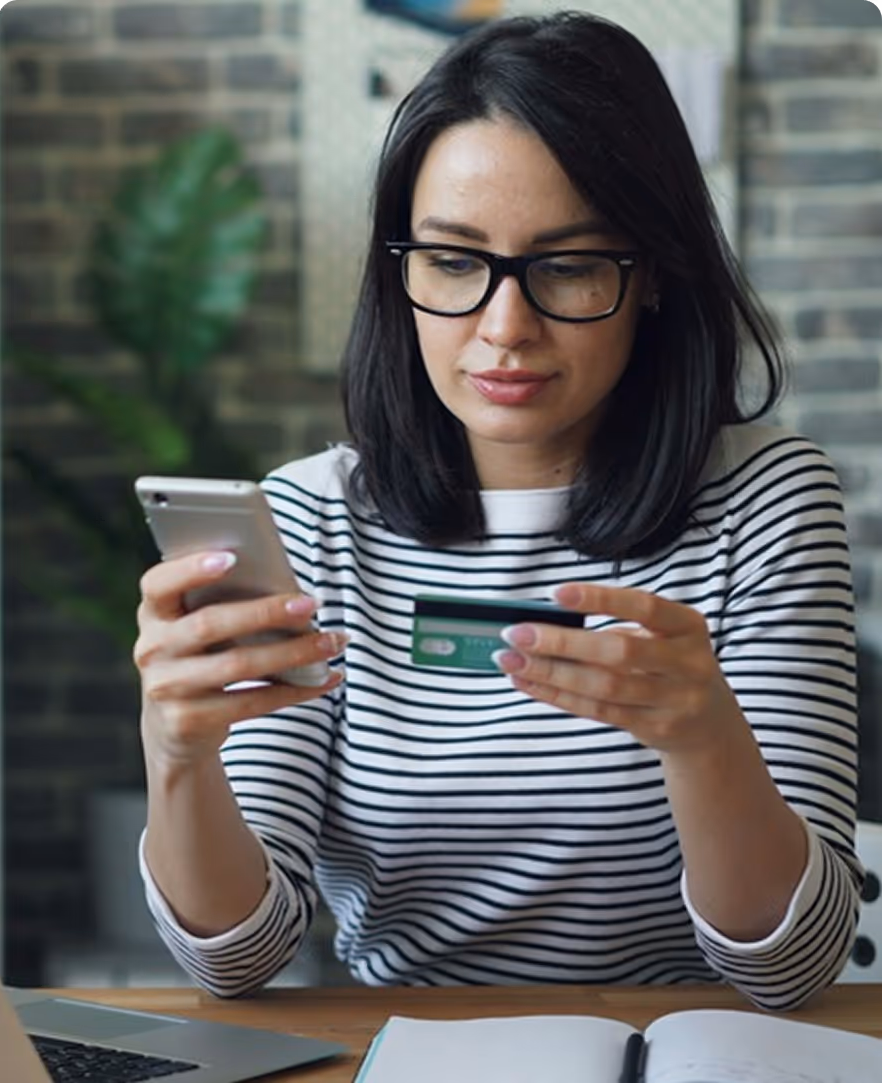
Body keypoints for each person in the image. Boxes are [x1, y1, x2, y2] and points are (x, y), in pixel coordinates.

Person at [134, 11, 862, 1010]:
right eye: (452, 261)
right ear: (401, 272)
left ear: (647, 274)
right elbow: (236, 960)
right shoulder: (310, 519)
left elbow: (792, 966)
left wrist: (702, 741)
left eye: (565, 265)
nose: (503, 328)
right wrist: (176, 754)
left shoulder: (765, 500)